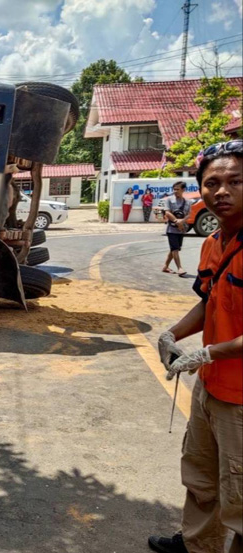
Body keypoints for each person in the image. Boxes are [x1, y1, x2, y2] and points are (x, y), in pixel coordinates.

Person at [149, 139, 243, 553]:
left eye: (235, 181)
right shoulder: (211, 243)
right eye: (212, 183)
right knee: (202, 476)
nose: (221, 191)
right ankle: (198, 545)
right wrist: (173, 334)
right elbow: (209, 302)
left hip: (240, 400)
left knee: (239, 496)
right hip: (210, 386)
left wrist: (208, 352)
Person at [163, 181, 189, 276]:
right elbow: (167, 212)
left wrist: (182, 222)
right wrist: (176, 221)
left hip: (181, 229)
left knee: (175, 248)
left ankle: (165, 266)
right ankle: (180, 268)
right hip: (171, 229)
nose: (175, 191)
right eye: (174, 189)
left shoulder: (187, 202)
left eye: (177, 189)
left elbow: (188, 215)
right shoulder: (169, 200)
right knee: (175, 249)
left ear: (183, 190)